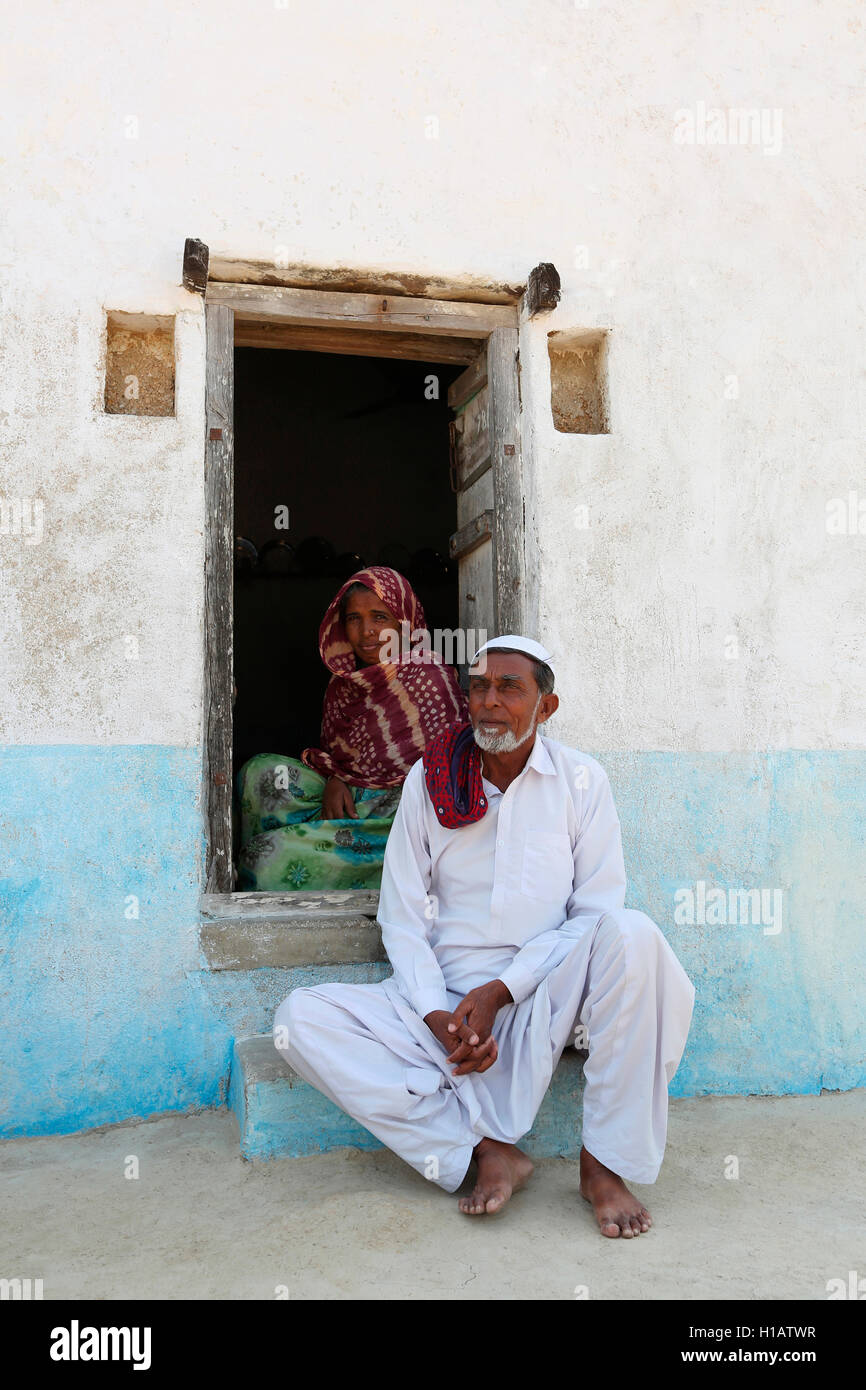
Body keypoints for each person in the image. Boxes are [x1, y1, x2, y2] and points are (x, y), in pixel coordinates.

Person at [273, 634, 695, 1237]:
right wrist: (433, 1013)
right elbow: (402, 917)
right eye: (479, 687)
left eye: (510, 688)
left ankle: (604, 1166)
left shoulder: (582, 782)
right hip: (443, 1001)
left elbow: (594, 914)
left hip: (542, 993)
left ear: (545, 708)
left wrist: (503, 990)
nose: (490, 702)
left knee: (635, 935)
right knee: (299, 1018)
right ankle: (482, 1152)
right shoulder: (432, 777)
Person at [236, 566, 467, 892]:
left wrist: (357, 786)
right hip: (350, 801)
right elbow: (338, 756)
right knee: (258, 773)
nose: (366, 631)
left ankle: (304, 856)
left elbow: (443, 784)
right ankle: (308, 843)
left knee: (265, 861)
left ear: (405, 621)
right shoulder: (344, 686)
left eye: (379, 617)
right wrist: (337, 777)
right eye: (353, 619)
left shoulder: (431, 678)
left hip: (396, 825)